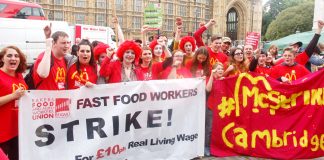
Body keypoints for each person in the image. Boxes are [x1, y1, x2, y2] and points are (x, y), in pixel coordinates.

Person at [0, 46, 28, 160]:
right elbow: (15, 96)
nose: (14, 58)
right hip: (2, 132)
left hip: (18, 130)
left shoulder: (19, 76)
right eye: (9, 55)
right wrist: (13, 96)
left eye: (16, 56)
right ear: (2, 59)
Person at [33, 24, 71, 90]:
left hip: (61, 99)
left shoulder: (66, 60)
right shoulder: (44, 56)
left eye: (68, 43)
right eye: (63, 43)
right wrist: (48, 47)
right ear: (54, 43)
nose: (67, 46)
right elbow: (43, 74)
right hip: (45, 99)